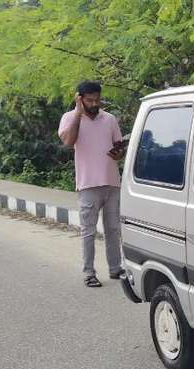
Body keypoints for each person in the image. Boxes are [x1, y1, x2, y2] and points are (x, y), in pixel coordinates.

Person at [58, 81, 126, 288]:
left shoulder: (110, 119)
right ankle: (89, 272)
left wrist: (119, 153)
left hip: (112, 182)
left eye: (97, 99)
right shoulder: (69, 118)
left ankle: (115, 269)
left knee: (113, 229)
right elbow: (69, 142)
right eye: (90, 100)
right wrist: (79, 113)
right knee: (88, 231)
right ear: (79, 98)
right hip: (88, 184)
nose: (95, 103)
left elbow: (119, 147)